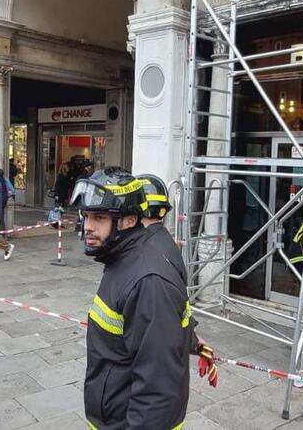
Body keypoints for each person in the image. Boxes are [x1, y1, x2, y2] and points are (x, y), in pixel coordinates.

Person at [71, 167, 191, 429]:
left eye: (99, 217)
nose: (87, 227)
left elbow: (157, 389)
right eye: (86, 216)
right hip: (112, 412)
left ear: (128, 221)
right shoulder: (123, 255)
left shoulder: (147, 281)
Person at [137, 173, 218, 388]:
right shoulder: (163, 243)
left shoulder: (146, 255)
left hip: (154, 377)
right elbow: (178, 306)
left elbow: (162, 321)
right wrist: (193, 340)